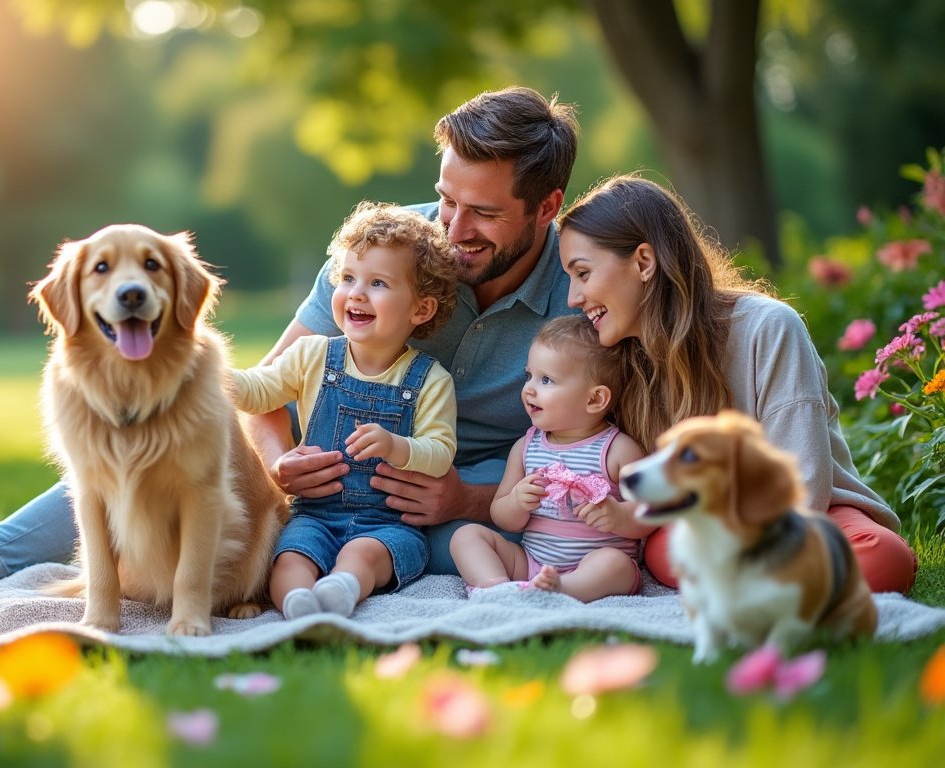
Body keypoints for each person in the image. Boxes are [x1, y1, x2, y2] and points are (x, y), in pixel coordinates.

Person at [0, 86, 582, 581]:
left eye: (485, 213)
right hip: (327, 488)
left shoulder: (580, 286)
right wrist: (277, 464)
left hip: (478, 503)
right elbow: (267, 391)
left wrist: (465, 501)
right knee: (142, 452)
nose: (454, 228)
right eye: (447, 200)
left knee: (477, 548)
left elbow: (597, 445)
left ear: (547, 206)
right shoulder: (383, 252)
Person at [556, 175, 918, 594]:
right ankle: (784, 594)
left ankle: (752, 591)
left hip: (801, 522)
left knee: (882, 556)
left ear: (643, 262)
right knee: (666, 547)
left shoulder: (768, 328)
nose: (573, 297)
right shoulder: (620, 358)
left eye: (582, 273)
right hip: (699, 528)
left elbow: (806, 487)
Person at [229, 202, 458, 618]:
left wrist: (398, 446)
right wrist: (220, 377)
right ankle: (298, 605)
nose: (356, 292)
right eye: (348, 278)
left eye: (378, 283)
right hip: (315, 514)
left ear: (420, 309)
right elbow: (260, 391)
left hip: (389, 525)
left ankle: (342, 589)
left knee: (364, 554)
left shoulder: (430, 380)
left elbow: (440, 452)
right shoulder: (312, 355)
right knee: (290, 557)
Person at [450, 315, 650, 601]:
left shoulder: (618, 450)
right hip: (531, 563)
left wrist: (618, 516)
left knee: (615, 564)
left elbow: (652, 514)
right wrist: (517, 502)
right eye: (528, 375)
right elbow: (502, 516)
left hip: (591, 565)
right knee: (467, 536)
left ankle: (563, 591)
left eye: (546, 380)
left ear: (594, 400)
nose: (529, 388)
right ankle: (496, 589)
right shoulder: (526, 447)